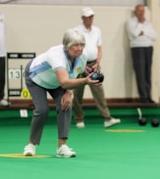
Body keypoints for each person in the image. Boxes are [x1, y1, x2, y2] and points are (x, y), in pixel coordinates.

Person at [22, 28, 101, 158]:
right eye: (76, 45)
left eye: (82, 44)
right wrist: (86, 81)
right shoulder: (56, 55)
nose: (80, 48)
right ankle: (31, 145)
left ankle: (62, 146)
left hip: (56, 81)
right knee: (42, 110)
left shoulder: (82, 55)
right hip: (36, 78)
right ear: (67, 46)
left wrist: (69, 93)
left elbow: (74, 74)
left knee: (66, 104)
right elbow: (64, 82)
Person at [73, 7, 121, 129]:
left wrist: (97, 63)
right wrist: (81, 67)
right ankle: (79, 119)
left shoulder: (97, 30)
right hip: (80, 65)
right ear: (82, 18)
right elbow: (74, 50)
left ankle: (107, 118)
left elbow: (99, 48)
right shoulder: (76, 31)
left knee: (99, 92)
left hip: (94, 64)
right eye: (88, 17)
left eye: (92, 16)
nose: (91, 19)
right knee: (78, 93)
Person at [126, 4, 157, 103]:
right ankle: (143, 97)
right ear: (135, 12)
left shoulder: (148, 22)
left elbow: (154, 36)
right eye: (139, 11)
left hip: (148, 48)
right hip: (137, 48)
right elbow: (135, 34)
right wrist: (140, 24)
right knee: (140, 73)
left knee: (148, 73)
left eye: (143, 11)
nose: (141, 13)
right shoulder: (130, 22)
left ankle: (148, 96)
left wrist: (144, 32)